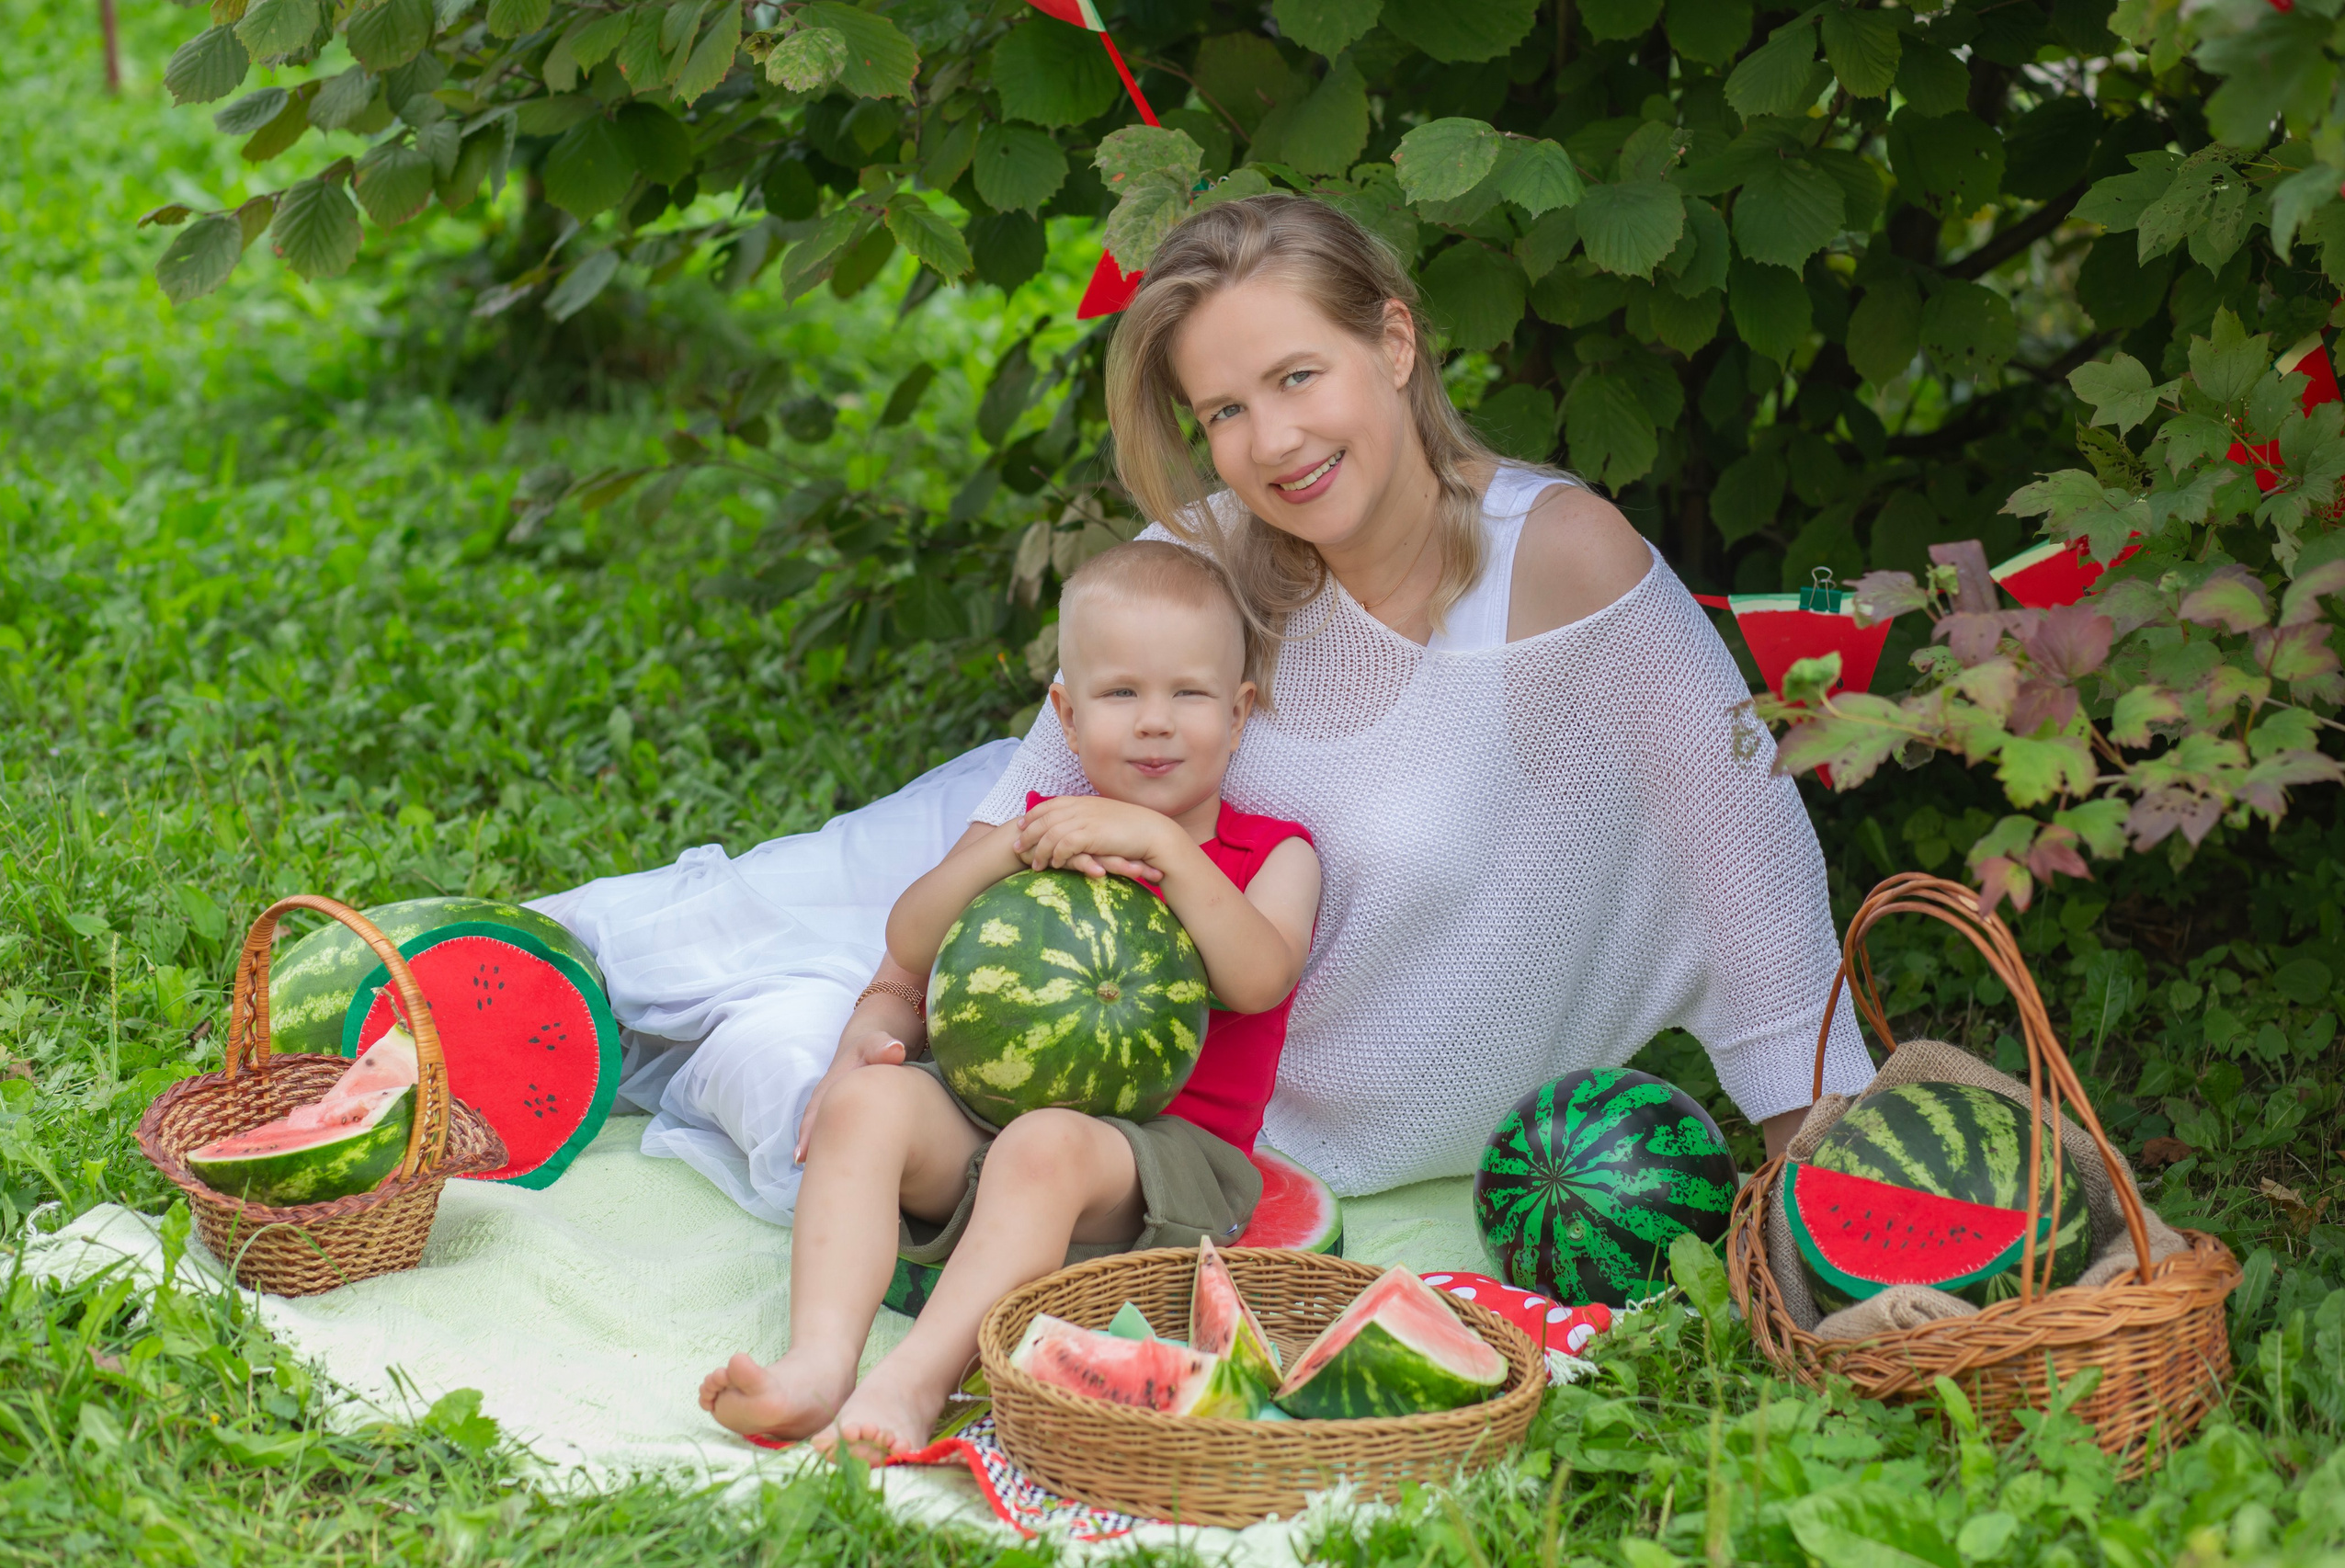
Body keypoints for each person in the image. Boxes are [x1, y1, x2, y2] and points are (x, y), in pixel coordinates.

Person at [530, 190, 1869, 1232]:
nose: (1271, 442)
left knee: (766, 1070)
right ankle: (464, 991)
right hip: (1030, 893)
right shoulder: (1207, 552)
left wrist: (1830, 1210)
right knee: (687, 951)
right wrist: (882, 1016)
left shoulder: (1564, 562)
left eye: (1298, 376)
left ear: (1394, 339)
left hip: (1187, 1091)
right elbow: (1017, 816)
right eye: (1224, 409)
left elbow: (1752, 883)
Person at [696, 540, 1322, 1457]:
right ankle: (818, 1364)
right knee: (868, 1100)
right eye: (1120, 693)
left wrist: (1165, 849)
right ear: (1067, 716)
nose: (1154, 723)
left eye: (1188, 694)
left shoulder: (1272, 853)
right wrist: (1009, 846)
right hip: (993, 1121)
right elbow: (913, 939)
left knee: (1044, 1143)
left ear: (1237, 716)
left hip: (1171, 1160)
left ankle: (916, 1383)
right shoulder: (1037, 831)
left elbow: (1260, 977)